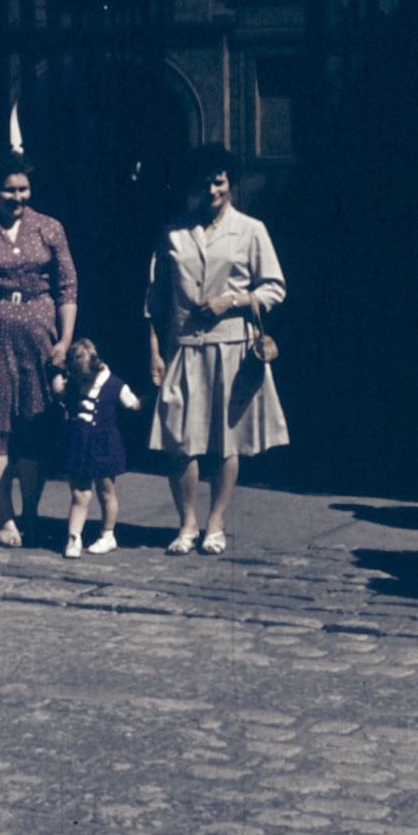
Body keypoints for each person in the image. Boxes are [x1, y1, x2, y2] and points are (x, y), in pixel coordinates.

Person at [147, 144, 287, 555]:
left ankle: (215, 524)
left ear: (230, 182)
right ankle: (187, 523)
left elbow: (274, 287)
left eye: (219, 180)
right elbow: (154, 299)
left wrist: (235, 300)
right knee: (180, 440)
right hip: (185, 347)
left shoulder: (251, 229)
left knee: (227, 441)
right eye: (205, 181)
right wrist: (155, 350)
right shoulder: (173, 232)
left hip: (232, 349)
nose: (212, 189)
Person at [0, 154, 78, 546]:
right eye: (8, 188)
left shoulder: (49, 228)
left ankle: (31, 512)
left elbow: (67, 287)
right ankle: (5, 515)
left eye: (22, 188)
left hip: (38, 337)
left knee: (34, 422)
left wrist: (65, 341)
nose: (16, 196)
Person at [50, 338, 142, 559]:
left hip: (104, 445)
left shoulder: (115, 384)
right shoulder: (74, 382)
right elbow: (59, 391)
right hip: (79, 444)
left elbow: (133, 405)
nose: (83, 381)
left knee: (105, 490)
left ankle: (108, 535)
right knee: (80, 493)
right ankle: (74, 537)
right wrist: (55, 369)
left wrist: (146, 399)